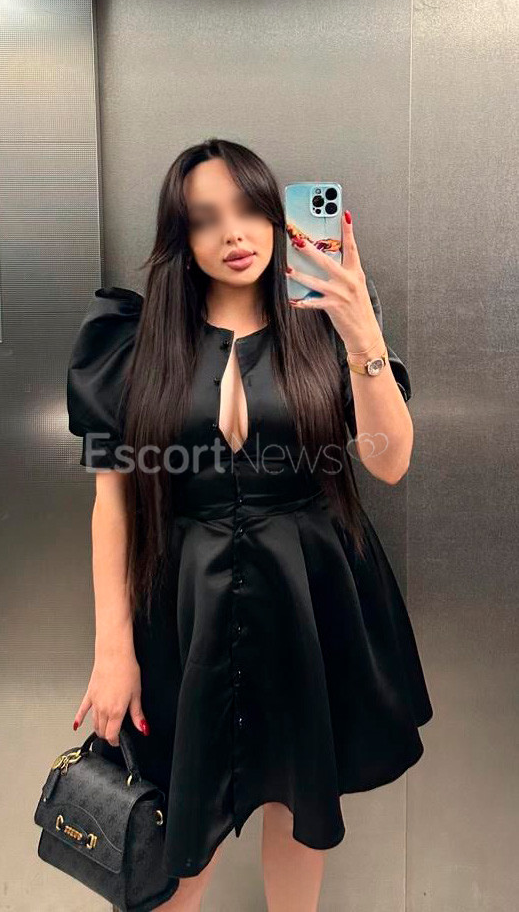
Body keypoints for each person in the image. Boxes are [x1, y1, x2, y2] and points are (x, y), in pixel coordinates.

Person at [66, 138, 433, 912]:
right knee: (176, 830)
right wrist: (111, 648)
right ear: (181, 238)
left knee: (299, 803)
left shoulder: (325, 327)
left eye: (247, 210)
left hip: (313, 592)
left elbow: (389, 462)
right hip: (181, 607)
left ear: (276, 217)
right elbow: (113, 503)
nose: (232, 233)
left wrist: (362, 335)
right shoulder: (131, 343)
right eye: (205, 219)